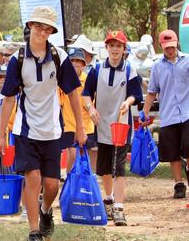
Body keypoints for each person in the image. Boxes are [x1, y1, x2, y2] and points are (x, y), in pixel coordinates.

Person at [0, 6, 86, 241]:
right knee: (33, 177)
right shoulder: (18, 59)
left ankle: (46, 211)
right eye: (38, 27)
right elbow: (8, 98)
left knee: (52, 185)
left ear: (51, 32)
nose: (42, 32)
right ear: (30, 27)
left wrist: (80, 127)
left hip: (53, 131)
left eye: (47, 29)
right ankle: (34, 230)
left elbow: (74, 94)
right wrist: (1, 134)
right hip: (26, 130)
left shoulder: (59, 57)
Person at [82, 30, 142, 227]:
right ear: (106, 48)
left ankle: (119, 208)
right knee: (105, 169)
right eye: (111, 45)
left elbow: (135, 94)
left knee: (119, 168)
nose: (115, 49)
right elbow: (86, 93)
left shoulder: (129, 70)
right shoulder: (97, 69)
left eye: (119, 46)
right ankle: (108, 199)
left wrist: (127, 102)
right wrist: (90, 108)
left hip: (121, 125)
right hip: (102, 126)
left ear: (124, 49)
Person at [143, 30, 189, 199]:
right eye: (166, 47)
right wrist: (144, 113)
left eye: (172, 46)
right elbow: (152, 92)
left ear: (177, 43)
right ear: (162, 46)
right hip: (169, 115)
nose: (170, 50)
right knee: (173, 152)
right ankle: (178, 184)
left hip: (187, 112)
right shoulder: (157, 66)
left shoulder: (187, 61)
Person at [59, 48, 97, 175]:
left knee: (86, 154)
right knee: (73, 154)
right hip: (69, 123)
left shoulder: (88, 79)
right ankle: (69, 177)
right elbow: (59, 101)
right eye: (72, 61)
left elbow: (93, 102)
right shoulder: (62, 81)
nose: (75, 63)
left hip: (87, 124)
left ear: (83, 64)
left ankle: (86, 181)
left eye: (78, 60)